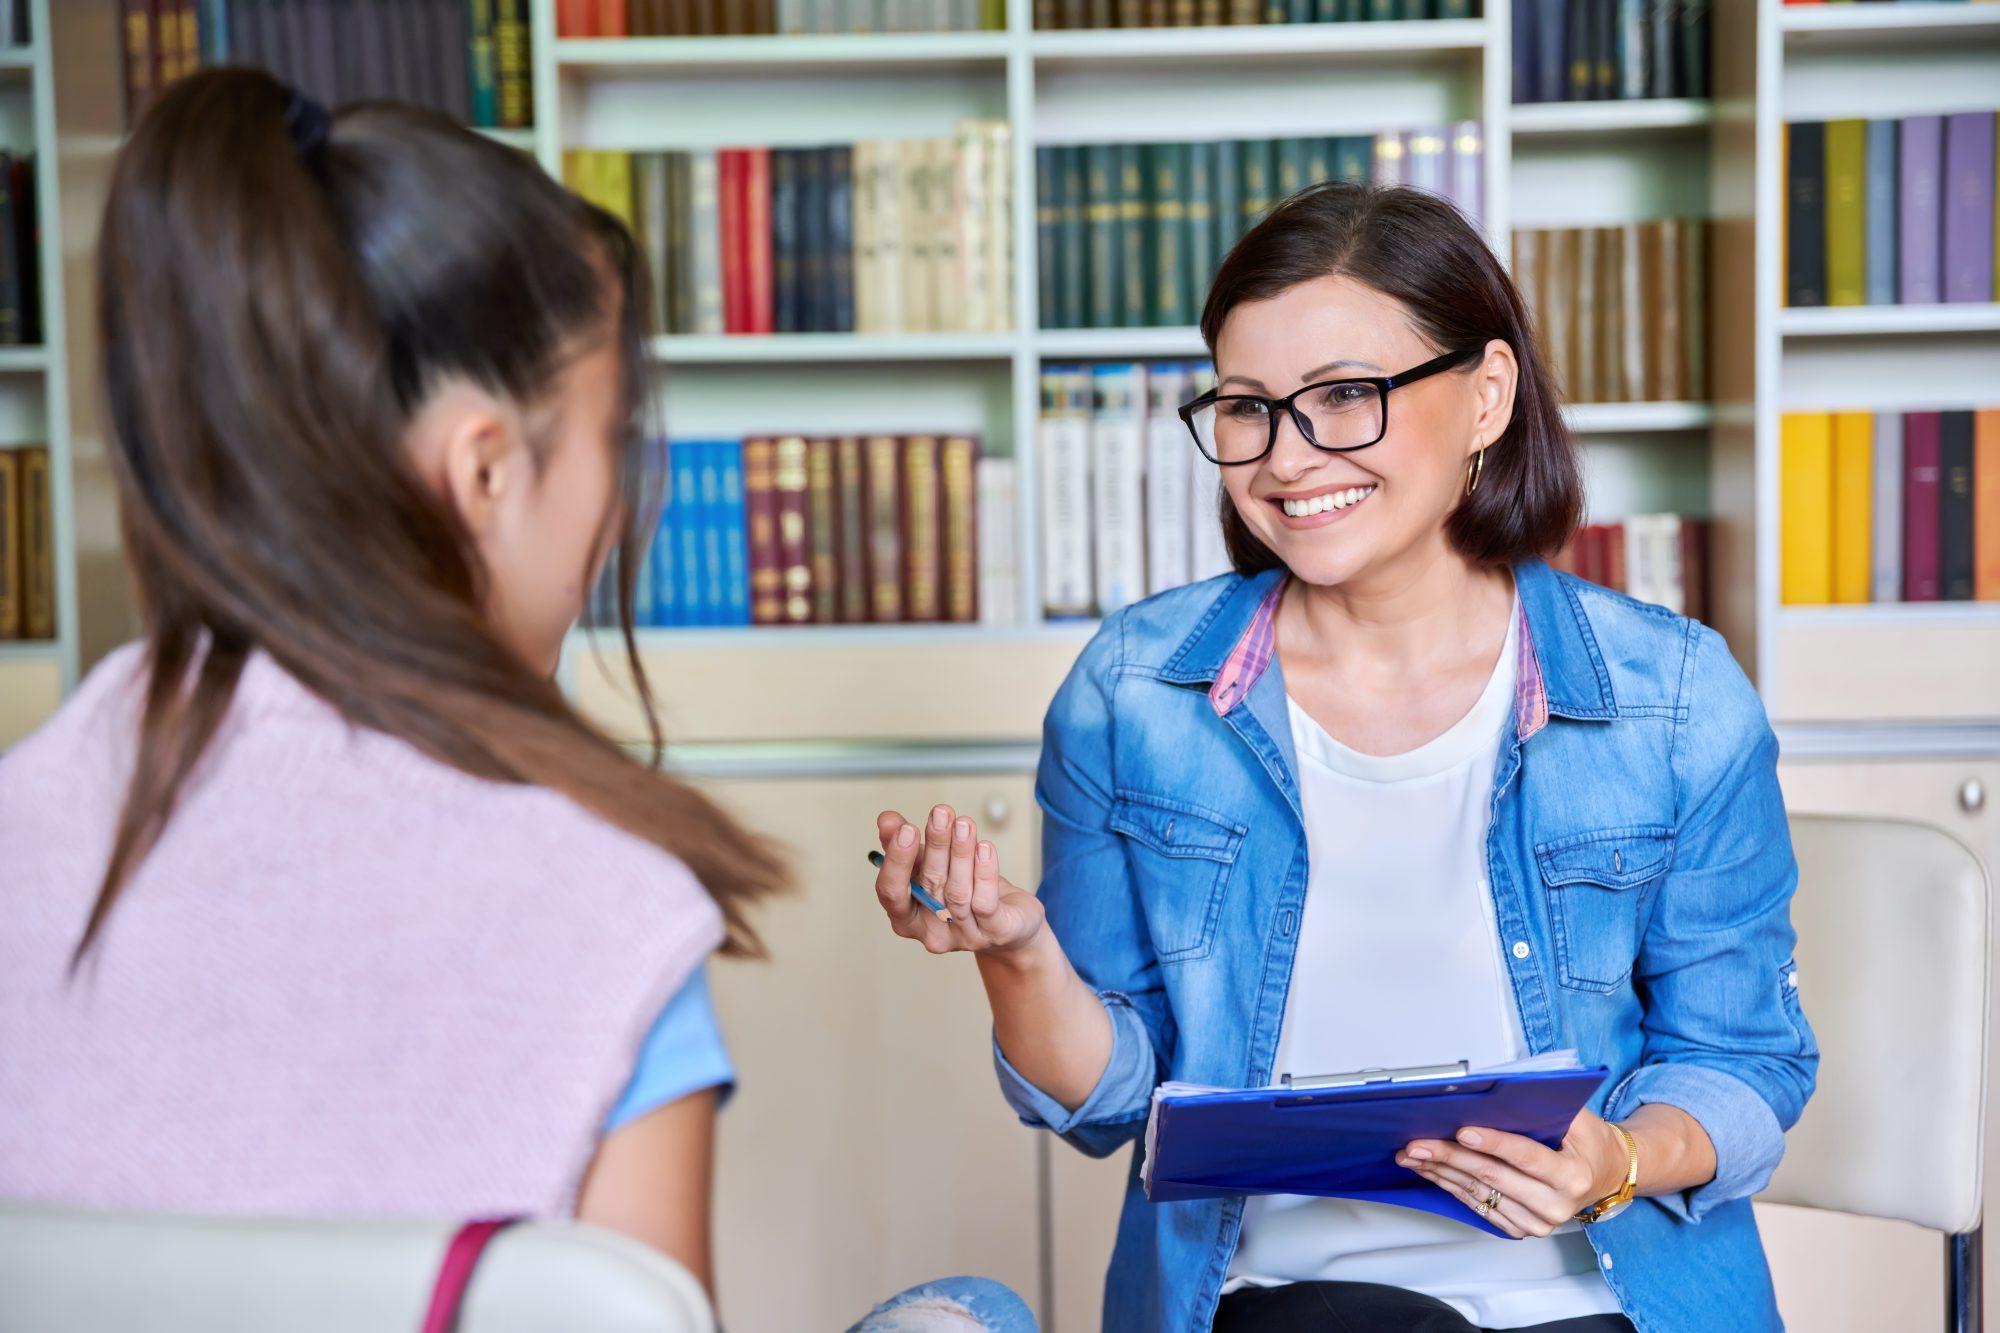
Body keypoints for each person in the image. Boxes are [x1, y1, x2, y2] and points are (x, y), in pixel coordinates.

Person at [0, 69, 1030, 1333]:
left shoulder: (24, 807)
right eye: (612, 432)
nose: (618, 499)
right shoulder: (604, 894)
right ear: (487, 467)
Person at [871, 182, 1817, 1332]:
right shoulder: (1133, 695)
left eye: (1343, 397)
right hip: (1280, 1302)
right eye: (1245, 408)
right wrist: (1018, 954)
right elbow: (1107, 1103)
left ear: (1484, 396)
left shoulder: (1669, 700)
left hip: (1597, 1302)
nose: (1284, 456)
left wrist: (1614, 1158)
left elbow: (1744, 1061)